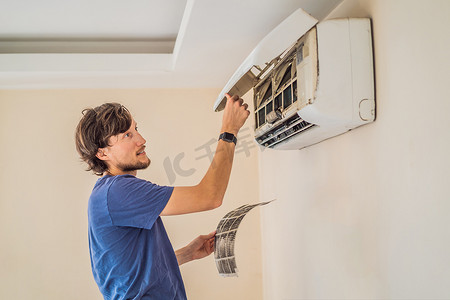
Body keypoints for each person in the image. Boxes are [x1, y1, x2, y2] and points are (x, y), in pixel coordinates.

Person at [75, 94, 250, 299]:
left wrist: (186, 253)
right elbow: (210, 196)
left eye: (135, 130)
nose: (141, 140)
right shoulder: (117, 191)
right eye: (126, 135)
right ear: (102, 153)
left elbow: (129, 275)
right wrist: (229, 130)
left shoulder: (107, 193)